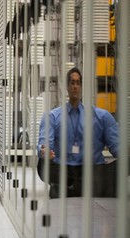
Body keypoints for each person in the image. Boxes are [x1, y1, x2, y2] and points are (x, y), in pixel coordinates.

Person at [37, 67, 119, 198]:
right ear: (67, 87)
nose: (75, 86)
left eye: (78, 83)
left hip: (93, 170)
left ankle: (70, 188)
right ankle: (88, 187)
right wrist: (43, 150)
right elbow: (45, 142)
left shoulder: (102, 117)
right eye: (72, 83)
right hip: (65, 171)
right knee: (42, 164)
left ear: (81, 86)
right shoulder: (52, 116)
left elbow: (117, 148)